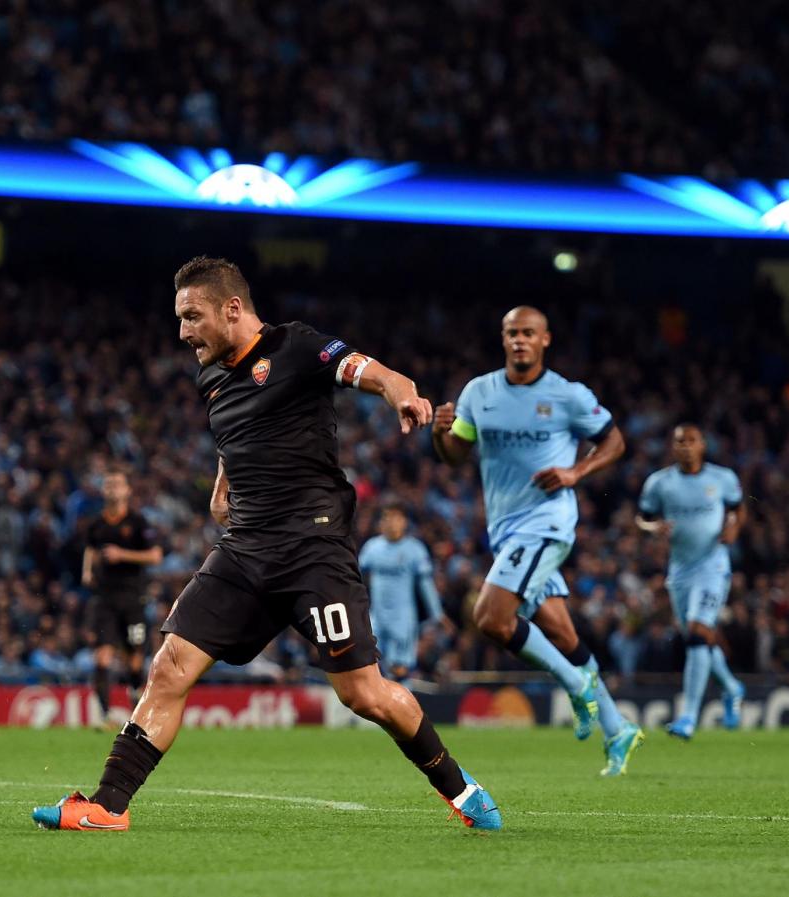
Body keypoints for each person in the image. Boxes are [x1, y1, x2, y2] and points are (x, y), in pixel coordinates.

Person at [33, 256, 501, 832]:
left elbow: (366, 368)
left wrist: (400, 391)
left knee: (364, 694)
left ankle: (462, 790)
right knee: (169, 666)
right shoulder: (212, 377)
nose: (182, 332)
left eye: (192, 316)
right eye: (179, 319)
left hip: (313, 550)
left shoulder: (296, 347)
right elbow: (233, 438)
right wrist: (222, 486)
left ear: (232, 308)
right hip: (245, 548)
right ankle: (108, 806)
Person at [431, 306, 643, 776]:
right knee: (563, 633)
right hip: (505, 530)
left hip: (546, 523)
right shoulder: (479, 392)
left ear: (545, 339)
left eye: (528, 333)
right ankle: (617, 727)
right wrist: (441, 433)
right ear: (503, 338)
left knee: (490, 617)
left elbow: (614, 442)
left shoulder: (567, 395)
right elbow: (454, 455)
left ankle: (575, 684)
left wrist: (577, 471)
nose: (519, 340)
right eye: (512, 333)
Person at [636, 423, 747, 739]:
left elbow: (738, 510)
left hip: (713, 566)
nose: (686, 446)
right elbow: (642, 517)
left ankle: (688, 718)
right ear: (673, 447)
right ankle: (731, 687)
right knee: (699, 640)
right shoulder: (659, 483)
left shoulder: (722, 479)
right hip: (680, 571)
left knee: (698, 634)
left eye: (692, 440)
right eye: (680, 441)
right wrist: (653, 528)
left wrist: (734, 528)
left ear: (703, 445)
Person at [81, 470, 162, 720]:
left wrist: (122, 554)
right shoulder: (96, 524)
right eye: (108, 484)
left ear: (127, 490)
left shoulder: (138, 522)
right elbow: (90, 549)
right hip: (105, 599)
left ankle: (135, 702)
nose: (112, 488)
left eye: (117, 484)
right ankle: (104, 715)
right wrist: (87, 571)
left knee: (134, 659)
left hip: (133, 599)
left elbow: (155, 556)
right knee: (102, 657)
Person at [359, 504, 451, 680]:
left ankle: (403, 695)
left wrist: (437, 614)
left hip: (402, 620)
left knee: (399, 672)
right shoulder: (372, 548)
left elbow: (425, 584)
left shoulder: (415, 549)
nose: (390, 522)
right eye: (386, 517)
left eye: (395, 518)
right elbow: (355, 578)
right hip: (376, 618)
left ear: (404, 522)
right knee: (372, 669)